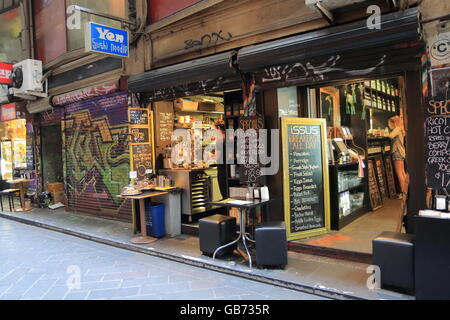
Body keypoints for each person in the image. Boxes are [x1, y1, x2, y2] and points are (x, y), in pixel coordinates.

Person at [388, 116, 408, 198]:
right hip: (401, 152)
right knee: (403, 172)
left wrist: (385, 133)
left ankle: (404, 193)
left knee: (399, 173)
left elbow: (390, 136)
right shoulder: (401, 129)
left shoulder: (397, 129)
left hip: (397, 152)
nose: (389, 125)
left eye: (390, 123)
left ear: (394, 122)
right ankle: (407, 190)